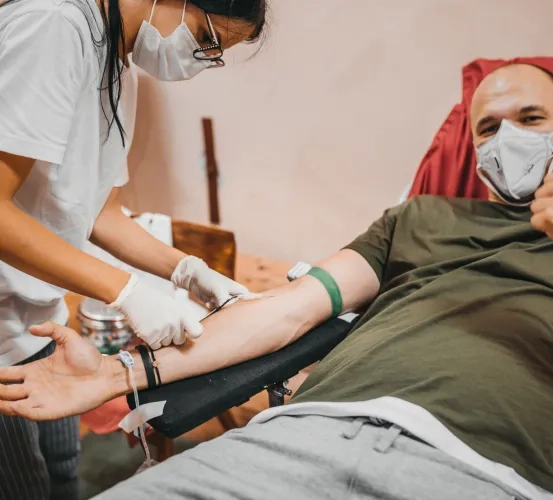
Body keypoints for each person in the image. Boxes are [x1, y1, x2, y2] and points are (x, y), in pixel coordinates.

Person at [1, 62, 553, 500]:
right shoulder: (421, 219)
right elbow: (286, 310)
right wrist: (112, 373)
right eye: (488, 127)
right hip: (297, 438)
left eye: (531, 119)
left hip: (484, 470)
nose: (508, 139)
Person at [0, 0, 267, 498]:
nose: (202, 60)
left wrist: (189, 272)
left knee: (62, 468)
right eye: (209, 41)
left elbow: (102, 212)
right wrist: (125, 292)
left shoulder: (119, 69)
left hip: (34, 315)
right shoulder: (53, 26)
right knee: (23, 485)